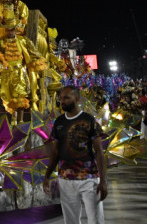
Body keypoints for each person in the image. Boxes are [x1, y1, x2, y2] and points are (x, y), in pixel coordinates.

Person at [43, 85, 107, 224]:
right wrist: (47, 176)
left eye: (66, 98)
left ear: (77, 98)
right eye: (60, 99)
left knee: (95, 219)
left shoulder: (89, 120)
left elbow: (99, 152)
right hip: (65, 179)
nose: (62, 101)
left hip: (88, 177)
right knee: (70, 220)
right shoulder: (59, 122)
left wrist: (103, 181)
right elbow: (55, 152)